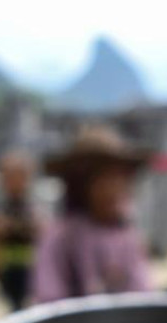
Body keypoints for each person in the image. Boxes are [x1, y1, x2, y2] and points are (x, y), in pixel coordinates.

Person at [31, 126, 153, 304]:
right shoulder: (61, 237)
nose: (115, 188)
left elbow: (142, 295)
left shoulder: (127, 237)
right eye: (105, 179)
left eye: (120, 177)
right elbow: (50, 300)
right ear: (81, 185)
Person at [0, 151, 38, 310]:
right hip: (4, 275)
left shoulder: (33, 211)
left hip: (31, 276)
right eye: (9, 177)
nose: (14, 182)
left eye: (19, 176)